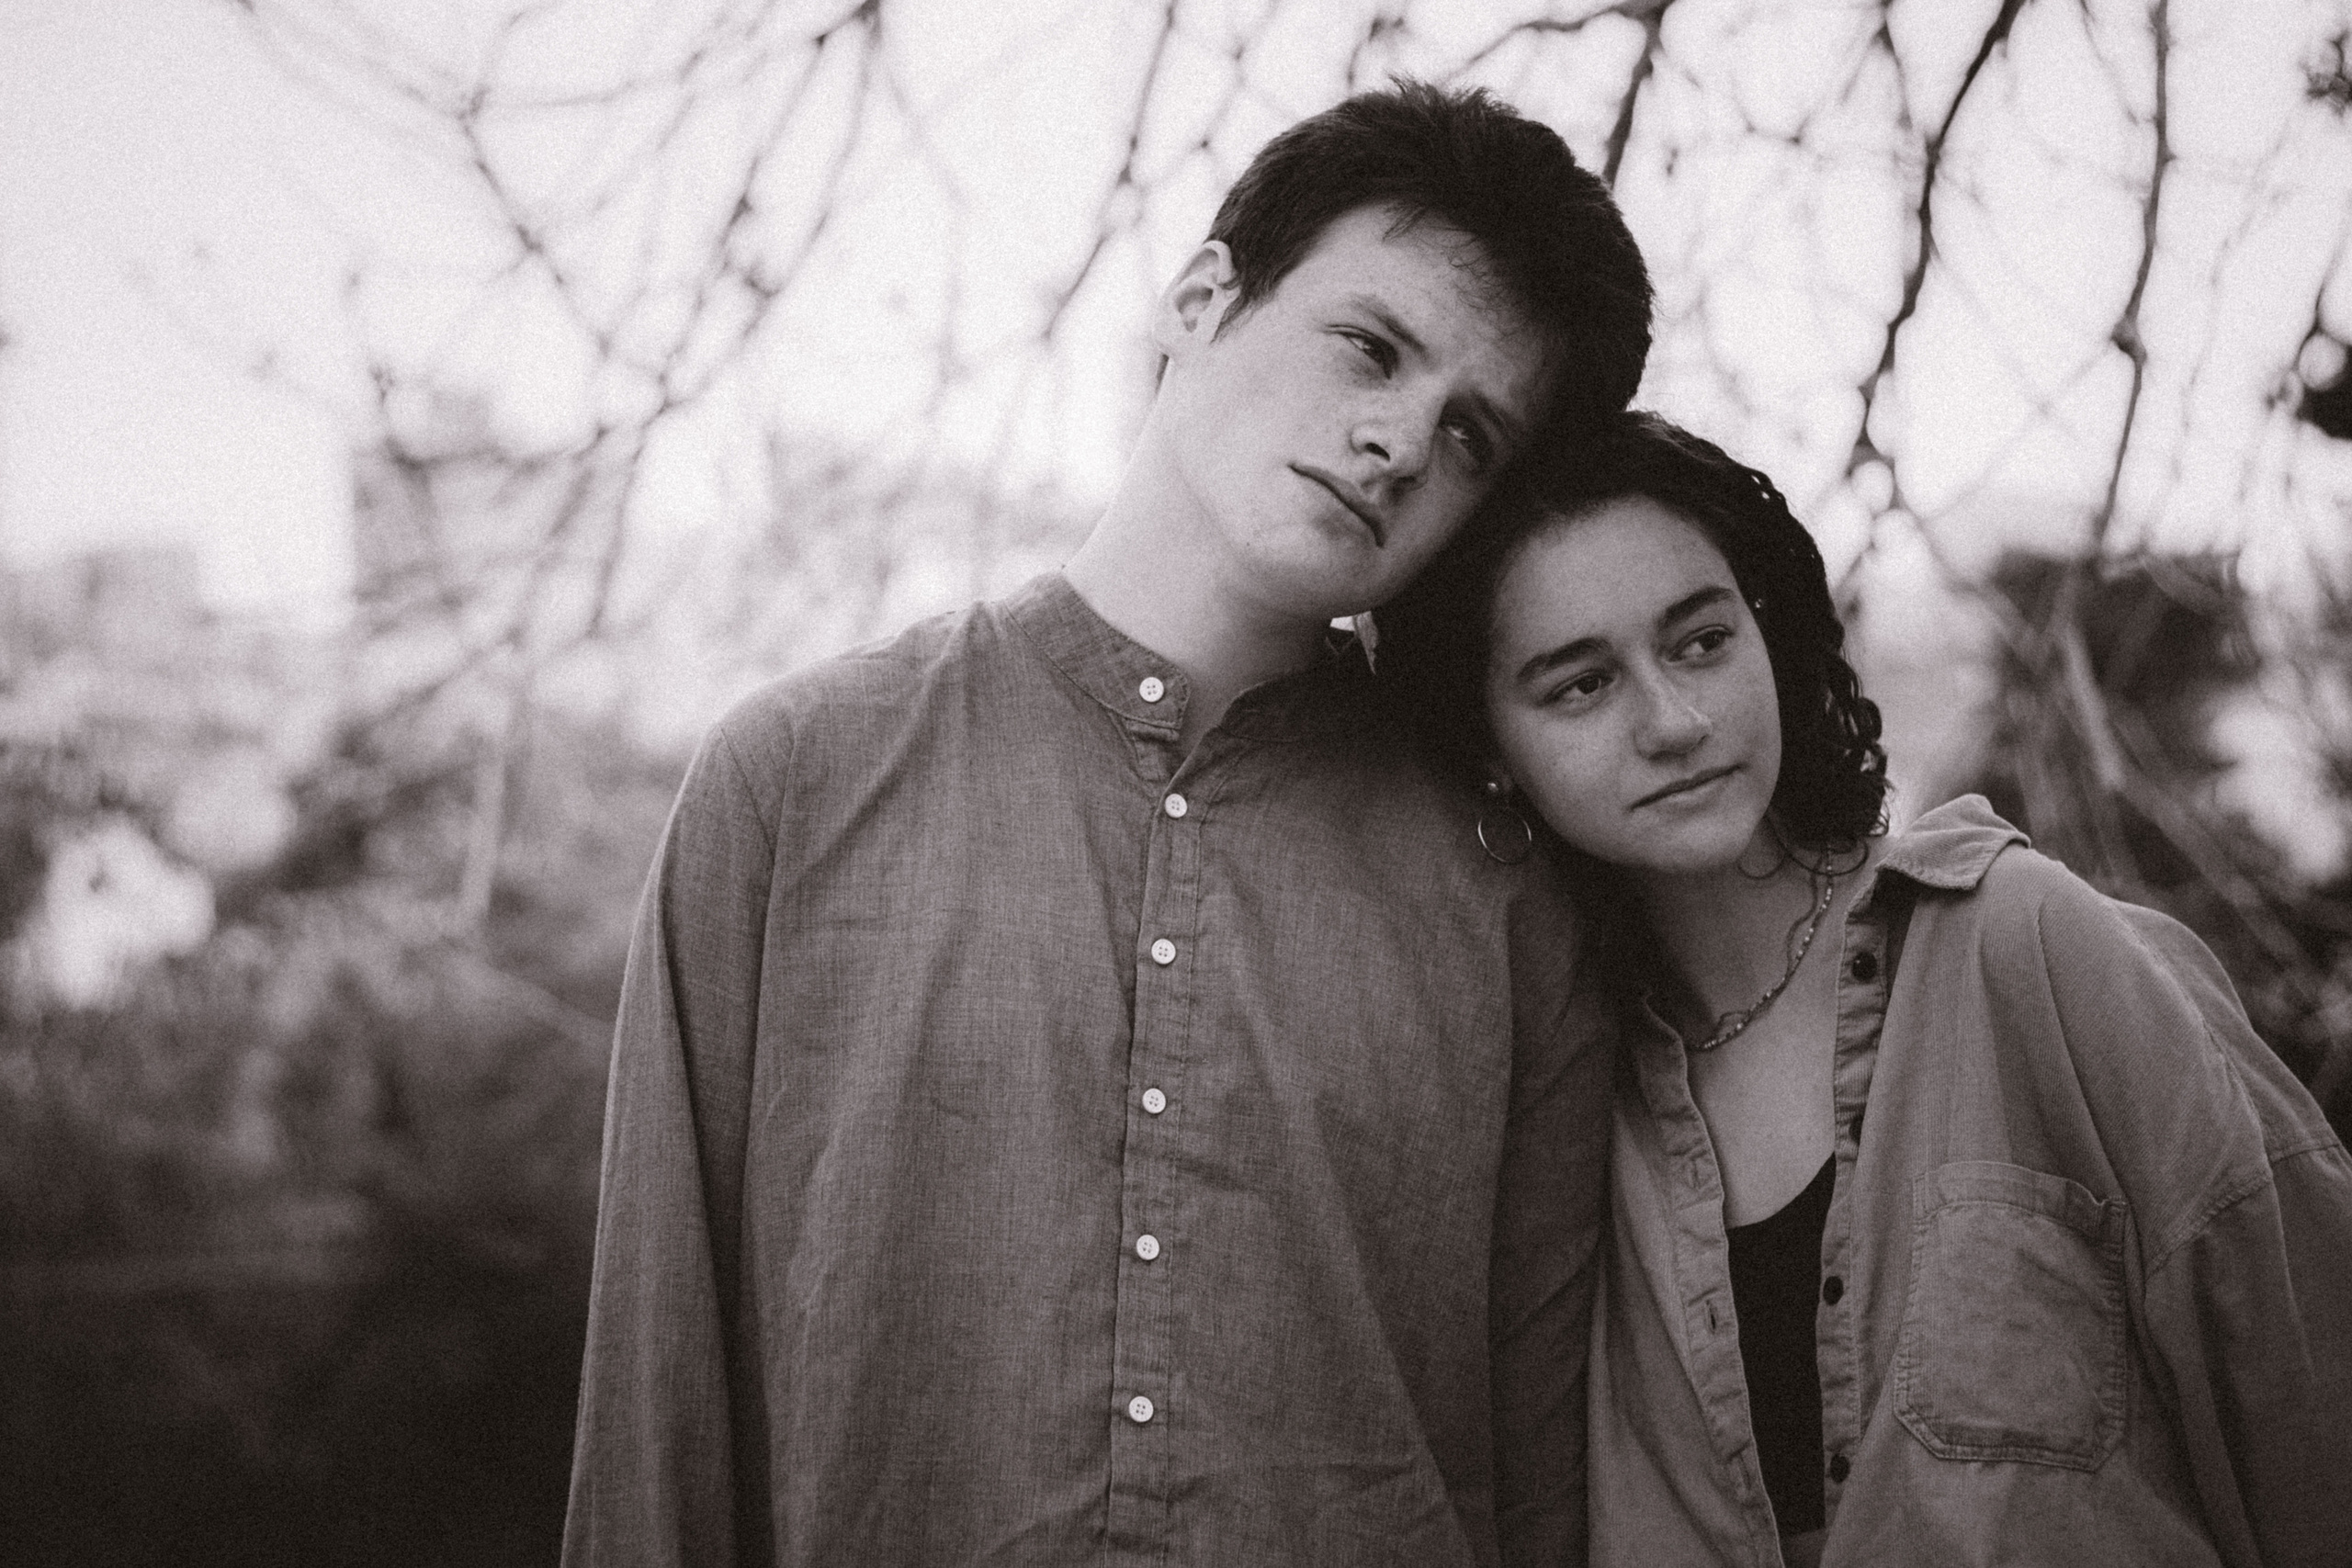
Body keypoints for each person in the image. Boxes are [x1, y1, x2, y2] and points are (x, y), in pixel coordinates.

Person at [560, 83, 1655, 1568]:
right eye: (1372, 348)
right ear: (1202, 298)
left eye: (1470, 433)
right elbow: (653, 1432)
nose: (1400, 437)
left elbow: (1548, 1488)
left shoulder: (1505, 886)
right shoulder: (791, 784)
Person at [1375, 412, 2352, 1567]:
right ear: (1488, 747)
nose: (1676, 724)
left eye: (1699, 642)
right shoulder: (1557, 1113)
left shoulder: (2037, 952)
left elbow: (2314, 1434)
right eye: (1581, 686)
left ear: (1769, 632)